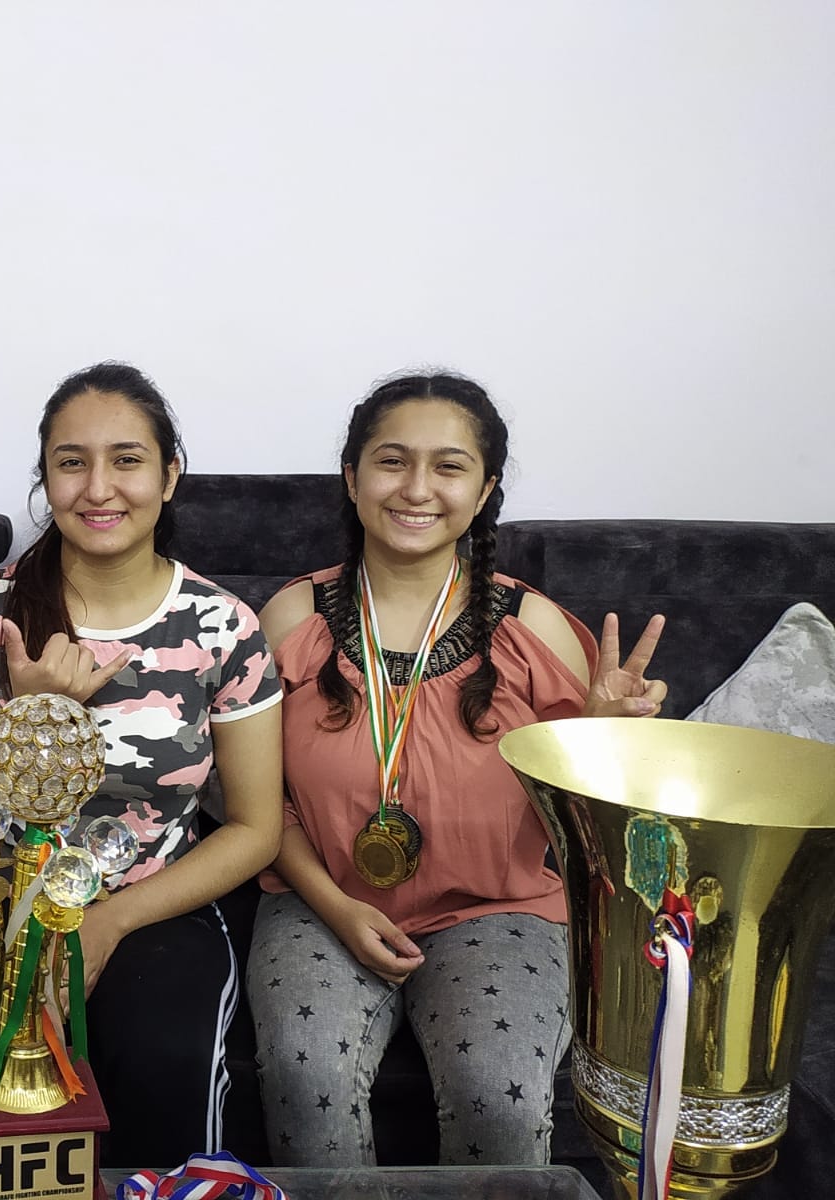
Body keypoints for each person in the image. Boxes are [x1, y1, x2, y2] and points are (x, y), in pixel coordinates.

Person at [248, 371, 666, 1166]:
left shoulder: (531, 626)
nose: (416, 488)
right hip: (318, 899)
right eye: (392, 461)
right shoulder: (292, 618)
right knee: (307, 1080)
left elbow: (588, 828)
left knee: (495, 1089)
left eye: (448, 466)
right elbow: (256, 800)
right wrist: (335, 906)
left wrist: (606, 739)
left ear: (483, 491)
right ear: (352, 477)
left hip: (497, 907)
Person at [0, 362, 284, 1166]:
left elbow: (258, 828)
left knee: (164, 1067)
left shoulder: (223, 626)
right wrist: (34, 720)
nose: (99, 487)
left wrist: (111, 922)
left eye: (127, 459)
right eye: (71, 461)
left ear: (170, 475)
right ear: (45, 476)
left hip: (158, 903)